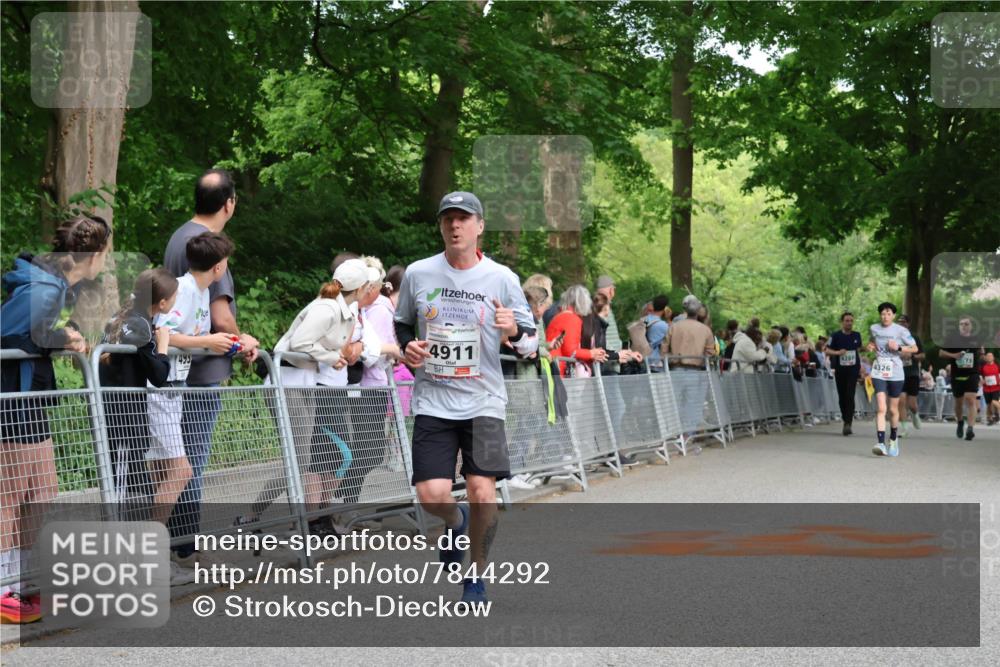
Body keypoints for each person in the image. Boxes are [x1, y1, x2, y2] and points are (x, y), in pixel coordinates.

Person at [394, 191, 537, 606]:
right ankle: (454, 522)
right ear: (440, 226)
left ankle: (476, 577)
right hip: (434, 401)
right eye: (448, 219)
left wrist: (512, 332)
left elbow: (531, 345)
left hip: (485, 403)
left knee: (481, 490)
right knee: (431, 495)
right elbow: (402, 324)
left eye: (463, 218)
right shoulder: (420, 274)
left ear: (479, 226)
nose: (455, 226)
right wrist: (409, 348)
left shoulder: (502, 279)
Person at [0, 216, 111, 624]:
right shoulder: (45, 288)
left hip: (33, 398)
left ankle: (22, 577)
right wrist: (63, 337)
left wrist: (62, 334)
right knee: (10, 493)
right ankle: (3, 588)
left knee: (42, 488)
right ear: (95, 255)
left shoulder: (54, 287)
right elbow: (8, 334)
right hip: (12, 399)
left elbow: (35, 332)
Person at [163, 169, 259, 567]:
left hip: (179, 370)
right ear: (229, 204)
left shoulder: (176, 239)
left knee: (174, 459)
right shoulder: (210, 247)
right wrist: (243, 342)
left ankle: (175, 542)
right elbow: (220, 317)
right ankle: (185, 546)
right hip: (200, 372)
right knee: (191, 460)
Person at [866, 302, 918, 457]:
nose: (885, 316)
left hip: (895, 373)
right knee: (881, 408)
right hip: (879, 371)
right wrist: (870, 346)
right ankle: (881, 443)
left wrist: (899, 348)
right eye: (883, 313)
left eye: (888, 314)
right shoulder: (874, 328)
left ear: (893, 315)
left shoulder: (901, 330)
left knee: (893, 409)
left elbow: (915, 348)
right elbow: (871, 342)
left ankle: (893, 439)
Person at [664, 295, 717, 439]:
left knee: (673, 401)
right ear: (698, 310)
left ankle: (673, 432)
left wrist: (670, 356)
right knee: (692, 403)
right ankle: (688, 434)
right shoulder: (706, 330)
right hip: (695, 370)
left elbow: (664, 348)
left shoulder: (674, 327)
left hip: (675, 368)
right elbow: (710, 352)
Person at [939, 315, 986, 441]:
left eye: (967, 324)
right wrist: (954, 355)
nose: (964, 326)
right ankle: (960, 422)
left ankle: (970, 429)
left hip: (973, 373)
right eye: (962, 324)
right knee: (958, 403)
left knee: (971, 399)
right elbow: (941, 353)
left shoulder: (977, 339)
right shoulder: (952, 338)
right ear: (959, 326)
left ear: (971, 326)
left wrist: (982, 354)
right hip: (957, 374)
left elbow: (982, 355)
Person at [546, 286, 606, 377]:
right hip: (559, 370)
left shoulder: (561, 315)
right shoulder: (572, 319)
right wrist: (591, 353)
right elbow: (571, 351)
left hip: (553, 365)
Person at [825, 312, 863, 436]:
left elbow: (859, 350)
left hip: (853, 369)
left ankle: (848, 423)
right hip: (840, 369)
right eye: (847, 320)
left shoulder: (857, 335)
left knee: (850, 394)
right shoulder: (835, 335)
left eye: (851, 321)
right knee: (842, 396)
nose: (849, 323)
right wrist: (837, 353)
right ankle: (845, 418)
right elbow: (827, 350)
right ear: (842, 322)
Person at [895, 314, 925, 433]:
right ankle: (904, 427)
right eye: (899, 322)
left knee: (912, 404)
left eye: (903, 322)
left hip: (912, 373)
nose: (901, 324)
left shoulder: (914, 338)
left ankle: (915, 414)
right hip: (898, 373)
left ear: (908, 324)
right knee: (901, 400)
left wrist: (912, 355)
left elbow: (923, 355)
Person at [644, 295, 670, 372]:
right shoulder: (662, 325)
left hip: (643, 359)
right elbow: (671, 337)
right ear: (665, 308)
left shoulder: (644, 320)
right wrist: (668, 318)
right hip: (655, 362)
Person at [982, 352, 1000, 425]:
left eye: (990, 356)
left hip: (996, 387)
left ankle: (997, 415)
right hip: (986, 388)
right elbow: (980, 375)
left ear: (993, 358)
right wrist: (981, 380)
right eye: (988, 356)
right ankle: (990, 419)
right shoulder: (983, 367)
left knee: (994, 401)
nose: (989, 357)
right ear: (986, 358)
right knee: (989, 404)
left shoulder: (997, 366)